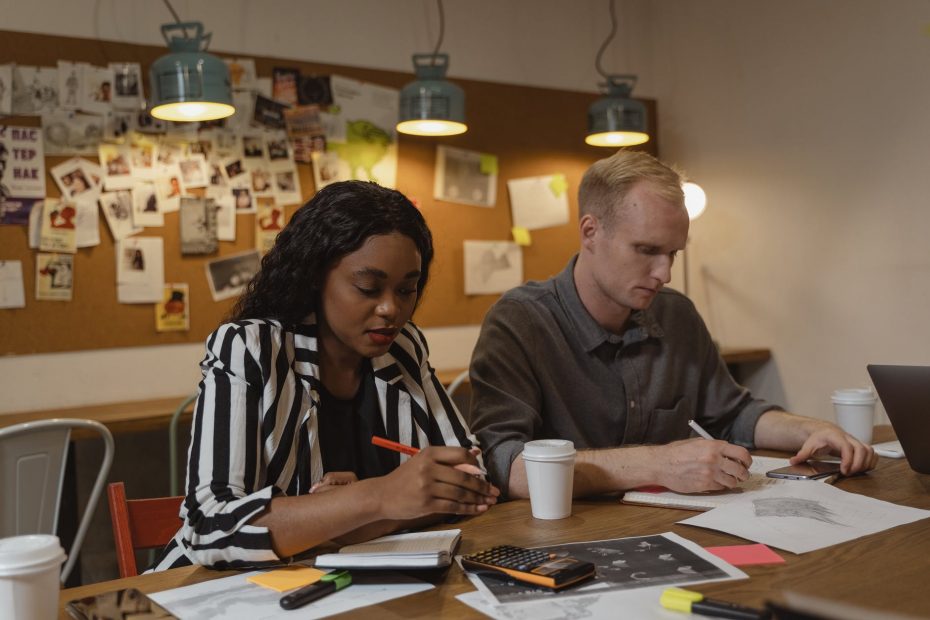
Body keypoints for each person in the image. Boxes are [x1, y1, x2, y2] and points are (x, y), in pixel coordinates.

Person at [466, 149, 877, 501]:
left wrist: (813, 428)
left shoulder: (676, 313)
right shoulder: (520, 322)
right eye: (646, 250)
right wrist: (658, 464)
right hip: (565, 544)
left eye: (673, 253)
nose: (664, 273)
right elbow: (506, 465)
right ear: (590, 232)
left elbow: (733, 414)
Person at [152, 181, 498, 571]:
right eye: (369, 287)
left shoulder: (403, 348)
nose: (391, 309)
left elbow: (471, 478)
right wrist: (374, 498)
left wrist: (342, 520)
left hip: (341, 584)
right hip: (219, 593)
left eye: (407, 289)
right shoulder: (251, 347)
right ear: (315, 275)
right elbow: (211, 527)